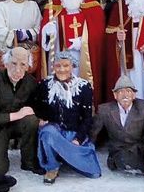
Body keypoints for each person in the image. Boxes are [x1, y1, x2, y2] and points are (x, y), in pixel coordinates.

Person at [40, 0, 106, 105]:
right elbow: (45, 45)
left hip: (82, 58)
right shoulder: (52, 6)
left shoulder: (94, 8)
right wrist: (46, 33)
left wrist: (83, 42)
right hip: (59, 59)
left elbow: (99, 37)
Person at [0, 47, 44, 192]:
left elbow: (36, 108)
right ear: (6, 63)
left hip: (16, 125)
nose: (18, 70)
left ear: (28, 67)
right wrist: (17, 114)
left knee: (32, 120)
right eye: (14, 64)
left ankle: (28, 161)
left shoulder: (30, 82)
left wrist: (42, 119)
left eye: (23, 65)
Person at [33, 50, 101, 184]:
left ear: (72, 67)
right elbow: (37, 106)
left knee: (93, 173)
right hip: (54, 131)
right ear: (53, 67)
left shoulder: (84, 86)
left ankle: (68, 156)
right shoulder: (45, 85)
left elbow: (87, 117)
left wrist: (78, 139)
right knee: (47, 133)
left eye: (66, 66)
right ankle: (52, 167)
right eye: (58, 66)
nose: (62, 69)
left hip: (73, 133)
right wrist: (40, 118)